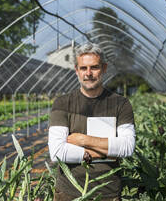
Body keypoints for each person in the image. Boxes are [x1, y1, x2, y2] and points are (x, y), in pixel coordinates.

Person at [48, 43, 136, 201]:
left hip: (108, 193)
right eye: (83, 68)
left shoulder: (121, 104)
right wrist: (108, 152)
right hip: (69, 192)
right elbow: (56, 152)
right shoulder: (62, 104)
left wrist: (82, 140)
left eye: (94, 67)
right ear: (77, 70)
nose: (88, 73)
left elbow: (127, 147)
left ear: (104, 68)